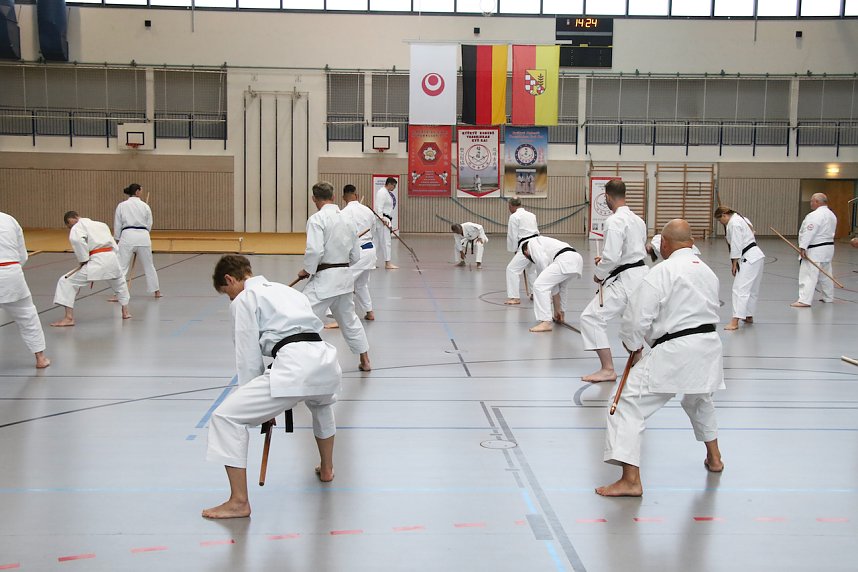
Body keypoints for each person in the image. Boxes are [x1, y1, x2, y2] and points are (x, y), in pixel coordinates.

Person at [202, 255, 342, 519]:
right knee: (321, 403)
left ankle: (238, 502)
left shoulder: (244, 299)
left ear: (230, 280)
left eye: (226, 293)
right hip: (324, 358)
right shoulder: (288, 292)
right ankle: (327, 469)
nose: (230, 299)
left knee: (226, 417)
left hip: (294, 365)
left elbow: (248, 358)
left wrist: (261, 410)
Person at [596, 219, 724, 497]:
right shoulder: (707, 271)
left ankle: (630, 480)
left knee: (625, 403)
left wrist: (632, 346)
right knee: (699, 398)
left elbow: (636, 318)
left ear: (664, 244)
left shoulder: (662, 271)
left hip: (676, 349)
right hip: (709, 346)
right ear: (692, 242)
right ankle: (714, 458)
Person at [579, 180, 648, 382]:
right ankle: (638, 362)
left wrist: (599, 274)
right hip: (641, 275)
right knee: (632, 321)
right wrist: (610, 262)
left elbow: (610, 256)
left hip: (626, 280)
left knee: (591, 317)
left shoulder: (615, 221)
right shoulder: (638, 220)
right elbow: (630, 251)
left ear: (608, 197)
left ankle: (608, 369)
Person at [298, 182, 371, 372]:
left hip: (325, 280)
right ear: (333, 196)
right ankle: (365, 360)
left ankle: (299, 362)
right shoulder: (347, 219)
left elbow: (314, 250)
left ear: (314, 199)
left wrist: (307, 269)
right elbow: (355, 255)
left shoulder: (317, 219)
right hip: (345, 278)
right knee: (350, 320)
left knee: (301, 318)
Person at [50, 211, 131, 326]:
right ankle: (125, 311)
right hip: (111, 258)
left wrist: (83, 259)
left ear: (73, 218)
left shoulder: (78, 226)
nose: (71, 227)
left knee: (66, 281)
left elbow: (77, 241)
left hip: (97, 260)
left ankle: (69, 318)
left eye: (70, 225)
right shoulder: (101, 224)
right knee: (120, 283)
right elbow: (114, 245)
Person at [0, 211, 50, 368]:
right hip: (11, 271)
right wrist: (13, 270)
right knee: (27, 315)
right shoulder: (9, 219)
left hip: (9, 269)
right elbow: (23, 255)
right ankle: (40, 358)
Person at [330, 184, 377, 323]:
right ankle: (369, 312)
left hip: (358, 252)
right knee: (360, 284)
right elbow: (372, 231)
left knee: (343, 282)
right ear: (356, 195)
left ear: (343, 197)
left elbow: (342, 236)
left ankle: (338, 318)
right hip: (370, 250)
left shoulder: (343, 212)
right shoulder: (368, 211)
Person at [714, 206, 765, 330]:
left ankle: (735, 321)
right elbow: (752, 232)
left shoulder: (734, 223)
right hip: (756, 256)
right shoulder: (742, 218)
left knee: (739, 289)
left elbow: (736, 244)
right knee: (752, 289)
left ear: (725, 215)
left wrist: (734, 262)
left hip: (748, 257)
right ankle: (748, 315)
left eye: (720, 220)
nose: (721, 223)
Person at [522, 236, 583, 333]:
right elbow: (555, 287)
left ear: (526, 252)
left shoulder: (531, 244)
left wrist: (545, 281)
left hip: (565, 259)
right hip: (576, 259)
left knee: (539, 285)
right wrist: (557, 311)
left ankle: (545, 321)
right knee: (562, 286)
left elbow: (542, 262)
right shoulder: (544, 243)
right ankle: (561, 314)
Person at [113, 183, 161, 298]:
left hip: (127, 236)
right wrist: (144, 233)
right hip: (143, 237)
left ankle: (118, 294)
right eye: (141, 190)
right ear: (137, 192)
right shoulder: (145, 206)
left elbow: (117, 223)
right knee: (149, 265)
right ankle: (156, 292)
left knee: (122, 266)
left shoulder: (122, 205)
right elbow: (149, 224)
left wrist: (117, 238)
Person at [792, 193, 837, 307]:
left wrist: (803, 247)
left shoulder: (815, 215)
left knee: (808, 274)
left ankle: (804, 300)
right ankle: (828, 297)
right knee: (826, 273)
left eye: (812, 201)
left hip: (816, 249)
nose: (811, 203)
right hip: (828, 248)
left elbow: (809, 231)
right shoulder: (831, 214)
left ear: (817, 202)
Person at [504, 198, 539, 305]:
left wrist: (514, 249)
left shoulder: (514, 217)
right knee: (532, 270)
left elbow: (512, 236)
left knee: (512, 269)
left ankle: (514, 297)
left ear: (510, 205)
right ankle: (535, 294)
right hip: (537, 243)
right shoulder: (531, 215)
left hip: (526, 246)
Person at [374, 177, 398, 270]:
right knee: (386, 241)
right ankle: (388, 263)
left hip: (384, 219)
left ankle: (372, 262)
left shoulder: (385, 192)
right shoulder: (382, 192)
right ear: (390, 184)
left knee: (378, 242)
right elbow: (378, 207)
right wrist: (381, 218)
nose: (394, 188)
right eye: (394, 186)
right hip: (383, 220)